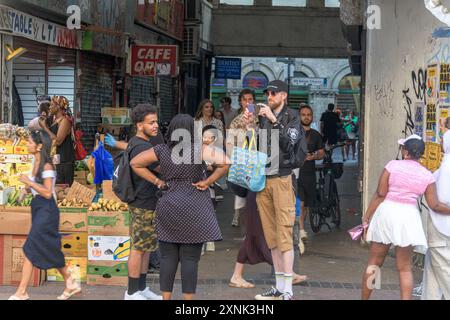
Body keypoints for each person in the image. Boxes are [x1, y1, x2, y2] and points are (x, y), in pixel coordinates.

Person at [130, 114, 230, 300]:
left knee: (168, 258)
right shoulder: (200, 150)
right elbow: (225, 162)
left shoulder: (161, 150)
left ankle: (166, 298)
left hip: (168, 204)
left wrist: (158, 181)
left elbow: (135, 163)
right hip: (195, 206)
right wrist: (207, 181)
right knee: (190, 259)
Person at [361, 134, 450, 300]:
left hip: (387, 214)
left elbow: (380, 194)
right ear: (421, 154)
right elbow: (434, 205)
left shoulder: (392, 166)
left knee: (374, 263)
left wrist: (366, 218)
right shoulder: (427, 175)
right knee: (404, 268)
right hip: (408, 218)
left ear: (405, 151)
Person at [244, 80, 304, 300]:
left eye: (273, 92)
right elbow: (256, 145)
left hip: (282, 179)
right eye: (267, 93)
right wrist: (251, 125)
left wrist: (273, 119)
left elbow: (290, 144)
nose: (269, 96)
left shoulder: (292, 117)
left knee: (285, 234)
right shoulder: (262, 117)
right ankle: (278, 287)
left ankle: (288, 289)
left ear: (283, 95)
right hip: (263, 179)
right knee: (272, 237)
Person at [8, 131, 81, 300]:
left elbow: (48, 192)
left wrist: (29, 182)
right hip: (39, 208)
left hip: (48, 211)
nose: (27, 145)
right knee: (49, 248)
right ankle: (70, 283)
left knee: (30, 247)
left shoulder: (47, 166)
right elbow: (35, 185)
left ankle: (22, 292)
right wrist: (25, 190)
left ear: (40, 146)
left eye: (30, 143)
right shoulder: (35, 160)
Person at [104, 105, 163, 300]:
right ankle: (131, 292)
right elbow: (161, 168)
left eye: (156, 121)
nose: (155, 126)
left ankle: (142, 288)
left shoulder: (138, 142)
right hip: (142, 202)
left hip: (145, 202)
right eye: (151, 123)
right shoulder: (142, 146)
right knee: (138, 248)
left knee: (146, 247)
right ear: (139, 125)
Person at [422, 117, 450, 300]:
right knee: (432, 271)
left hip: (441, 227)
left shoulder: (447, 164)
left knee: (444, 271)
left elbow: (441, 200)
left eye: (443, 136)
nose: (440, 140)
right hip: (442, 227)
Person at [296, 104, 325, 255]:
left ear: (312, 117)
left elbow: (321, 153)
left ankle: (300, 228)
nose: (306, 117)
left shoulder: (316, 135)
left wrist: (314, 156)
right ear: (299, 116)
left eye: (309, 114)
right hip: (296, 173)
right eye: (303, 114)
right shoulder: (294, 134)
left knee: (305, 205)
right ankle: (301, 231)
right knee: (300, 203)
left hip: (309, 173)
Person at [227, 89, 257, 228]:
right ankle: (239, 215)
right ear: (240, 102)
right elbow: (230, 142)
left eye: (250, 99)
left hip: (258, 159)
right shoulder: (236, 121)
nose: (248, 102)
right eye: (245, 100)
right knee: (241, 191)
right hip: (242, 159)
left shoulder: (260, 118)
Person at [39, 96, 75, 185]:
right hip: (57, 158)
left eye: (51, 105)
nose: (50, 107)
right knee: (57, 185)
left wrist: (45, 128)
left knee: (65, 187)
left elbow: (58, 141)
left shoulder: (65, 121)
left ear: (58, 107)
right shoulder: (55, 120)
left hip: (65, 161)